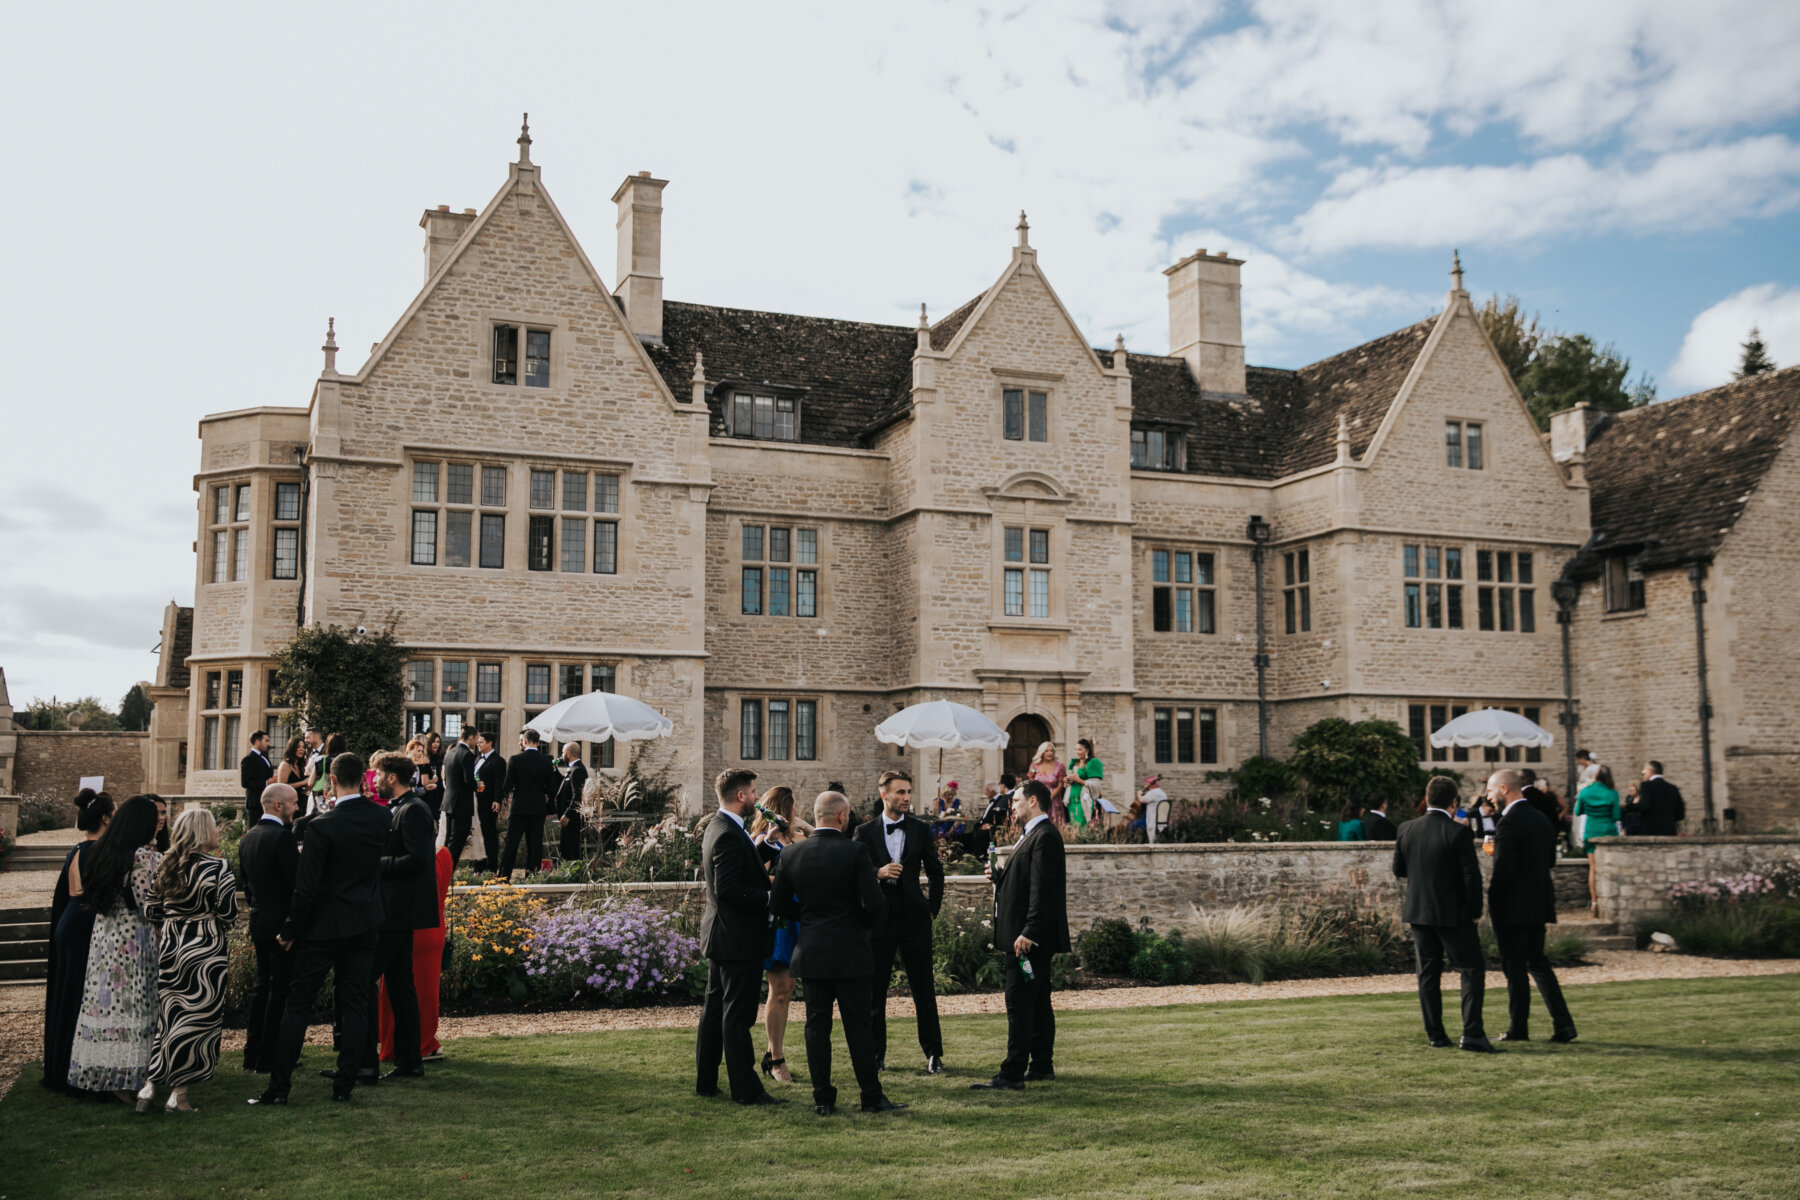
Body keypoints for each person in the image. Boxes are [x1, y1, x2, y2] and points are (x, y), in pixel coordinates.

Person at [251, 753, 391, 1106]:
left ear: (330, 781)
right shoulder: (380, 816)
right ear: (363, 779)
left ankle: (279, 1088)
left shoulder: (322, 825)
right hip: (364, 922)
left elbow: (307, 886)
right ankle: (345, 1084)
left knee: (298, 1005)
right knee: (356, 1002)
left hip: (323, 928)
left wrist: (289, 929)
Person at [771, 791, 902, 1116]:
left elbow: (777, 905)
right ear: (842, 817)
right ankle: (871, 1097)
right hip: (850, 951)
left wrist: (808, 919)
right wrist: (858, 926)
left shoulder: (792, 854)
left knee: (817, 1026)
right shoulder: (855, 852)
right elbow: (875, 904)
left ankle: (823, 1100)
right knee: (858, 1026)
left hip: (812, 950)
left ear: (817, 816)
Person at [137, 808, 238, 1113]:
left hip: (171, 945)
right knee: (196, 1022)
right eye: (214, 828)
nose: (218, 832)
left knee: (168, 1018)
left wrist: (175, 916)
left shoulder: (166, 864)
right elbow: (228, 913)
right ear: (202, 832)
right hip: (205, 950)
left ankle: (149, 1088)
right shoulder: (219, 868)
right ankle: (178, 1095)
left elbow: (150, 911)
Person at [972, 779, 1069, 1091]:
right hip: (1024, 937)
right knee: (1038, 1001)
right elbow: (1027, 883)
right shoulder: (1032, 835)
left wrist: (1029, 932)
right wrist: (1000, 878)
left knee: (1019, 1003)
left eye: (1015, 801)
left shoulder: (1045, 837)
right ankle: (1041, 1066)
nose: (1010, 807)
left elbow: (1044, 891)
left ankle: (1012, 1073)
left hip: (1026, 941)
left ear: (1033, 803)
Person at [694, 768, 782, 1106]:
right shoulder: (729, 832)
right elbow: (729, 888)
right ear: (741, 795)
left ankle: (706, 1081)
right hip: (736, 937)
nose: (758, 798)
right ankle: (746, 1089)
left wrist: (768, 844)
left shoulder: (722, 826)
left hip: (723, 934)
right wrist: (769, 899)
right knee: (737, 1015)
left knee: (715, 1009)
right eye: (754, 792)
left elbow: (739, 868)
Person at [67, 795, 163, 1103]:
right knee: (134, 1004)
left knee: (107, 1004)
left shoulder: (100, 853)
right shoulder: (144, 858)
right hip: (135, 939)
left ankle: (104, 1072)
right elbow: (150, 905)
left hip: (105, 937)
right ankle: (129, 1078)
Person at [852, 769, 946, 1074]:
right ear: (884, 794)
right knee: (874, 991)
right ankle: (876, 1055)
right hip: (877, 920)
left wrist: (932, 907)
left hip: (914, 919)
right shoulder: (864, 833)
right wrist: (877, 873)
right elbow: (854, 875)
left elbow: (936, 871)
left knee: (923, 988)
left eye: (908, 792)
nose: (906, 798)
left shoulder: (920, 829)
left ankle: (933, 1053)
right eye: (900, 792)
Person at [1393, 777, 1496, 1052]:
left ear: (1426, 799)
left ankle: (1436, 1035)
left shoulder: (1406, 829)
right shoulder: (1457, 832)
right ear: (1454, 802)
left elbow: (1399, 870)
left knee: (1427, 974)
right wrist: (1476, 912)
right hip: (1454, 914)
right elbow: (1471, 877)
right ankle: (1472, 1034)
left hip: (1419, 913)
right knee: (1471, 969)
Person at [1487, 769, 1577, 1045]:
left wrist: (1493, 905)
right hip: (1538, 902)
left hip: (1513, 906)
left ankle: (1518, 1028)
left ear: (1504, 789)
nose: (1488, 797)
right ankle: (1564, 1024)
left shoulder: (1508, 823)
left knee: (1514, 969)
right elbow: (1549, 861)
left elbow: (1503, 870)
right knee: (1538, 963)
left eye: (1491, 791)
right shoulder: (1540, 818)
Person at [362, 754, 437, 1083]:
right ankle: (409, 1060)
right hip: (396, 909)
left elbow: (419, 860)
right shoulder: (400, 808)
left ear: (392, 777)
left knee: (363, 979)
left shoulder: (414, 809)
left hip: (397, 911)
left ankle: (364, 1062)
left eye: (378, 774)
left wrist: (376, 864)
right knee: (400, 984)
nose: (374, 779)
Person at [42, 789, 114, 1095]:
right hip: (83, 924)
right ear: (106, 817)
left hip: (67, 921)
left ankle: (60, 1066)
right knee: (80, 998)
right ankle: (73, 1072)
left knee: (66, 994)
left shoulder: (77, 848)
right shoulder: (100, 850)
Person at [239, 783, 300, 1074]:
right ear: (279, 805)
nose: (297, 808)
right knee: (279, 989)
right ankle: (269, 1056)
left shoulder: (248, 837)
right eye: (294, 803)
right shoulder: (282, 838)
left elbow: (247, 888)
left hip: (258, 921)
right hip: (280, 928)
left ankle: (252, 1054)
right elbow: (296, 886)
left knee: (262, 987)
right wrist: (290, 927)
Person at [751, 787, 807, 1085]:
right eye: (794, 805)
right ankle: (775, 1058)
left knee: (788, 989)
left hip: (797, 917)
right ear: (784, 807)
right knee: (780, 989)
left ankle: (772, 1052)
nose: (798, 810)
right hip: (779, 922)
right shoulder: (762, 841)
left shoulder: (793, 839)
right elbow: (759, 877)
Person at [381, 843, 454, 1065]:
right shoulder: (443, 854)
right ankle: (422, 1042)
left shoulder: (407, 858)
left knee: (395, 989)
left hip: (408, 925)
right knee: (426, 991)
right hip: (433, 926)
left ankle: (394, 1044)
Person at [499, 728, 555, 877]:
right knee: (535, 844)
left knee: (511, 843)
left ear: (524, 741)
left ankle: (504, 876)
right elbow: (551, 787)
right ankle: (532, 875)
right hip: (538, 808)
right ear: (538, 742)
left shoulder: (515, 760)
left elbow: (507, 786)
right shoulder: (546, 760)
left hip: (519, 808)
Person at [1574, 766, 1623, 916]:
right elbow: (1616, 816)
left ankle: (1595, 902)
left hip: (1591, 831)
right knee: (1610, 868)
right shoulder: (1612, 793)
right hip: (1608, 832)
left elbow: (1577, 811)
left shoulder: (1585, 792)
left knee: (1593, 868)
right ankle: (1613, 901)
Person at [443, 726, 479, 866]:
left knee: (448, 839)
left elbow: (447, 779)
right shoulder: (467, 755)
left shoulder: (450, 752)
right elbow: (469, 780)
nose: (476, 742)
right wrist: (478, 785)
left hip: (449, 802)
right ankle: (447, 870)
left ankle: (442, 869)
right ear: (470, 738)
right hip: (461, 804)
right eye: (476, 739)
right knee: (458, 840)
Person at [473, 730, 507, 872]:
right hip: (476, 803)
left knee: (489, 835)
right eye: (478, 742)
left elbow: (500, 783)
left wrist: (497, 800)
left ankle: (491, 867)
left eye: (481, 742)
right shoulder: (477, 759)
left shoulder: (498, 761)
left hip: (489, 803)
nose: (478, 745)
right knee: (477, 835)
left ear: (489, 743)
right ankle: (478, 867)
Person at [553, 741, 589, 862]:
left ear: (568, 754)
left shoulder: (578, 770)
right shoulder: (572, 769)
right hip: (567, 818)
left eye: (562, 752)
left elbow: (578, 795)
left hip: (572, 819)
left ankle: (573, 874)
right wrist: (554, 770)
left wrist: (567, 814)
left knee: (572, 850)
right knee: (565, 848)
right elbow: (564, 784)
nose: (561, 755)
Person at [1638, 762, 1686, 837]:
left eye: (1644, 770)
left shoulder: (1646, 786)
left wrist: (1628, 807)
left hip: (1650, 831)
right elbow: (1680, 814)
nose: (1642, 773)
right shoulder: (1673, 788)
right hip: (1669, 831)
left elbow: (1645, 806)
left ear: (1650, 771)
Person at [238, 731, 275, 827]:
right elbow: (245, 782)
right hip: (255, 803)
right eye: (266, 741)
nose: (268, 744)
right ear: (257, 742)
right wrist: (266, 783)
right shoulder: (248, 759)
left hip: (267, 802)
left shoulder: (264, 757)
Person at [1028, 742, 1068, 826]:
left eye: (1051, 751)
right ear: (1042, 752)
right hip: (1038, 798)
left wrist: (1051, 796)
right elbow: (1031, 782)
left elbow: (1060, 785)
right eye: (1047, 751)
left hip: (1053, 798)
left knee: (1055, 824)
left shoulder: (1060, 766)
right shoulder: (1034, 765)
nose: (1050, 753)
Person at [1067, 738, 1104, 828]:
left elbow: (1096, 784)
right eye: (1076, 749)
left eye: (1080, 749)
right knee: (1074, 827)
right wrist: (1068, 780)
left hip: (1083, 800)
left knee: (1082, 825)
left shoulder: (1092, 763)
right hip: (1072, 800)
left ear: (1087, 751)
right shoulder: (1075, 763)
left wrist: (1078, 780)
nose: (1077, 752)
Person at [1132, 775, 1169, 843]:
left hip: (1153, 820)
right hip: (1161, 821)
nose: (1145, 786)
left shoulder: (1153, 793)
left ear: (1150, 785)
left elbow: (1141, 800)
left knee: (1131, 826)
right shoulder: (1162, 793)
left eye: (1146, 784)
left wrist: (1138, 794)